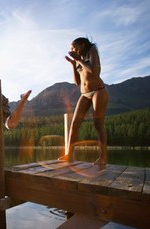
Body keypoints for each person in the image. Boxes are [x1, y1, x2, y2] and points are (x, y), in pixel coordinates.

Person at [59, 37, 108, 168]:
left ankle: (103, 157)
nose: (72, 50)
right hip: (84, 94)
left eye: (74, 47)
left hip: (98, 91)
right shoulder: (77, 60)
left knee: (98, 123)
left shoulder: (92, 51)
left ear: (82, 45)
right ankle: (68, 155)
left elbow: (94, 72)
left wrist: (79, 60)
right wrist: (73, 64)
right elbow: (77, 82)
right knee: (75, 124)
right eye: (71, 49)